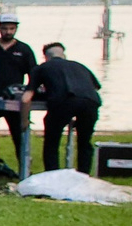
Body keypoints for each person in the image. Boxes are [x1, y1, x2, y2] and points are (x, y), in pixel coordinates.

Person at [31, 41, 103, 174]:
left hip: (64, 102)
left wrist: (24, 122)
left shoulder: (42, 67)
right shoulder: (80, 66)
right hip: (90, 102)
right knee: (84, 141)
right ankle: (84, 174)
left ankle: (52, 174)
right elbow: (96, 87)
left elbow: (27, 96)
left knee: (52, 140)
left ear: (46, 57)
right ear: (64, 55)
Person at [0, 13, 36, 172]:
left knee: (20, 137)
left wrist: (29, 94)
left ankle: (25, 171)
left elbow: (34, 75)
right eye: (5, 28)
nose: (8, 32)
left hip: (15, 100)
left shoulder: (24, 50)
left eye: (12, 28)